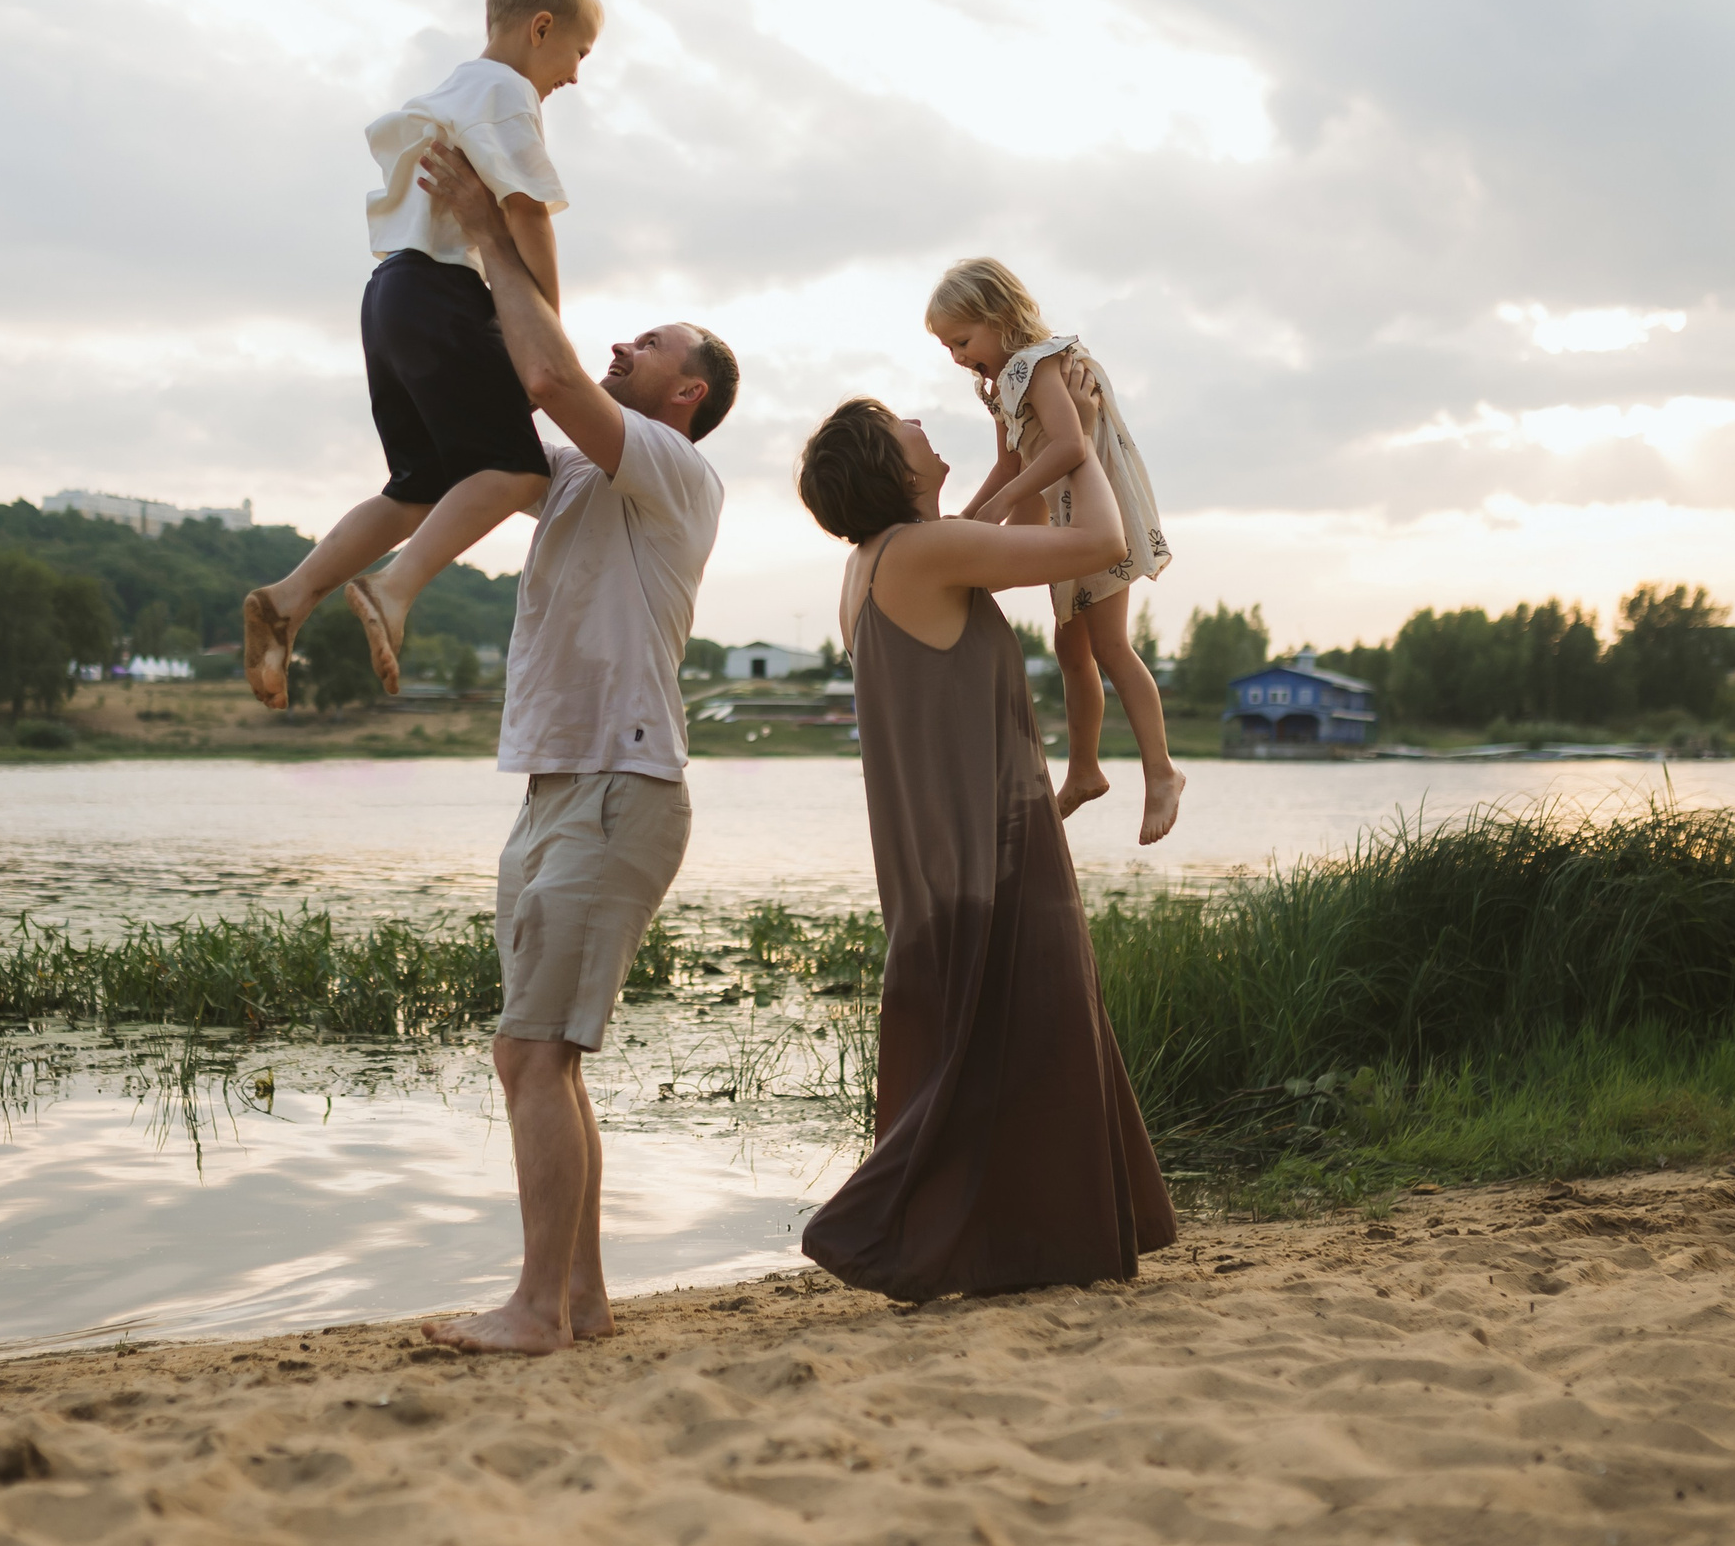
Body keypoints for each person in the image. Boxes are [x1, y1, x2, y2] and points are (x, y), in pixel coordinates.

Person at [411, 137, 738, 1355]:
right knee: (540, 1058)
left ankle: (538, 1306)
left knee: (529, 1053)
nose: (621, 347)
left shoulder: (671, 469)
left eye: (646, 344)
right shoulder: (573, 477)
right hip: (561, 790)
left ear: (685, 393)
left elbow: (547, 373)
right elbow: (504, 421)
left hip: (619, 786)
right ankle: (583, 1300)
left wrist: (495, 227)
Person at [793, 396, 1175, 1302]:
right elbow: (1097, 545)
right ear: (888, 462)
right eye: (901, 422)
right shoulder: (924, 551)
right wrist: (1079, 440)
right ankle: (880, 1232)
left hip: (939, 855)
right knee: (1027, 1035)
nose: (923, 424)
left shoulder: (881, 559)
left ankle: (1010, 1251)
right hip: (985, 843)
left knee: (989, 1047)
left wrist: (1027, 438)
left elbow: (1001, 508)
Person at [242, 0, 602, 708]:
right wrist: (547, 322)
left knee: (420, 486)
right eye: (578, 52)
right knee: (519, 468)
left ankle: (288, 597)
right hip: (442, 295)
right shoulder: (506, 91)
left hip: (389, 296)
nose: (575, 74)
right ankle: (393, 590)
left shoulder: (452, 90)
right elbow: (527, 210)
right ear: (542, 28)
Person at [927, 259, 1186, 845]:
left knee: (1110, 644)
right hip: (1063, 509)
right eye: (948, 348)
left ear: (998, 317)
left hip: (1097, 509)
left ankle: (1162, 771)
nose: (958, 357)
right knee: (1071, 646)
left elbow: (1070, 445)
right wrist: (964, 523)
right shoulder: (1002, 385)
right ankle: (1085, 771)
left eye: (963, 341)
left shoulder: (1040, 363)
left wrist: (1000, 509)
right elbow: (1008, 464)